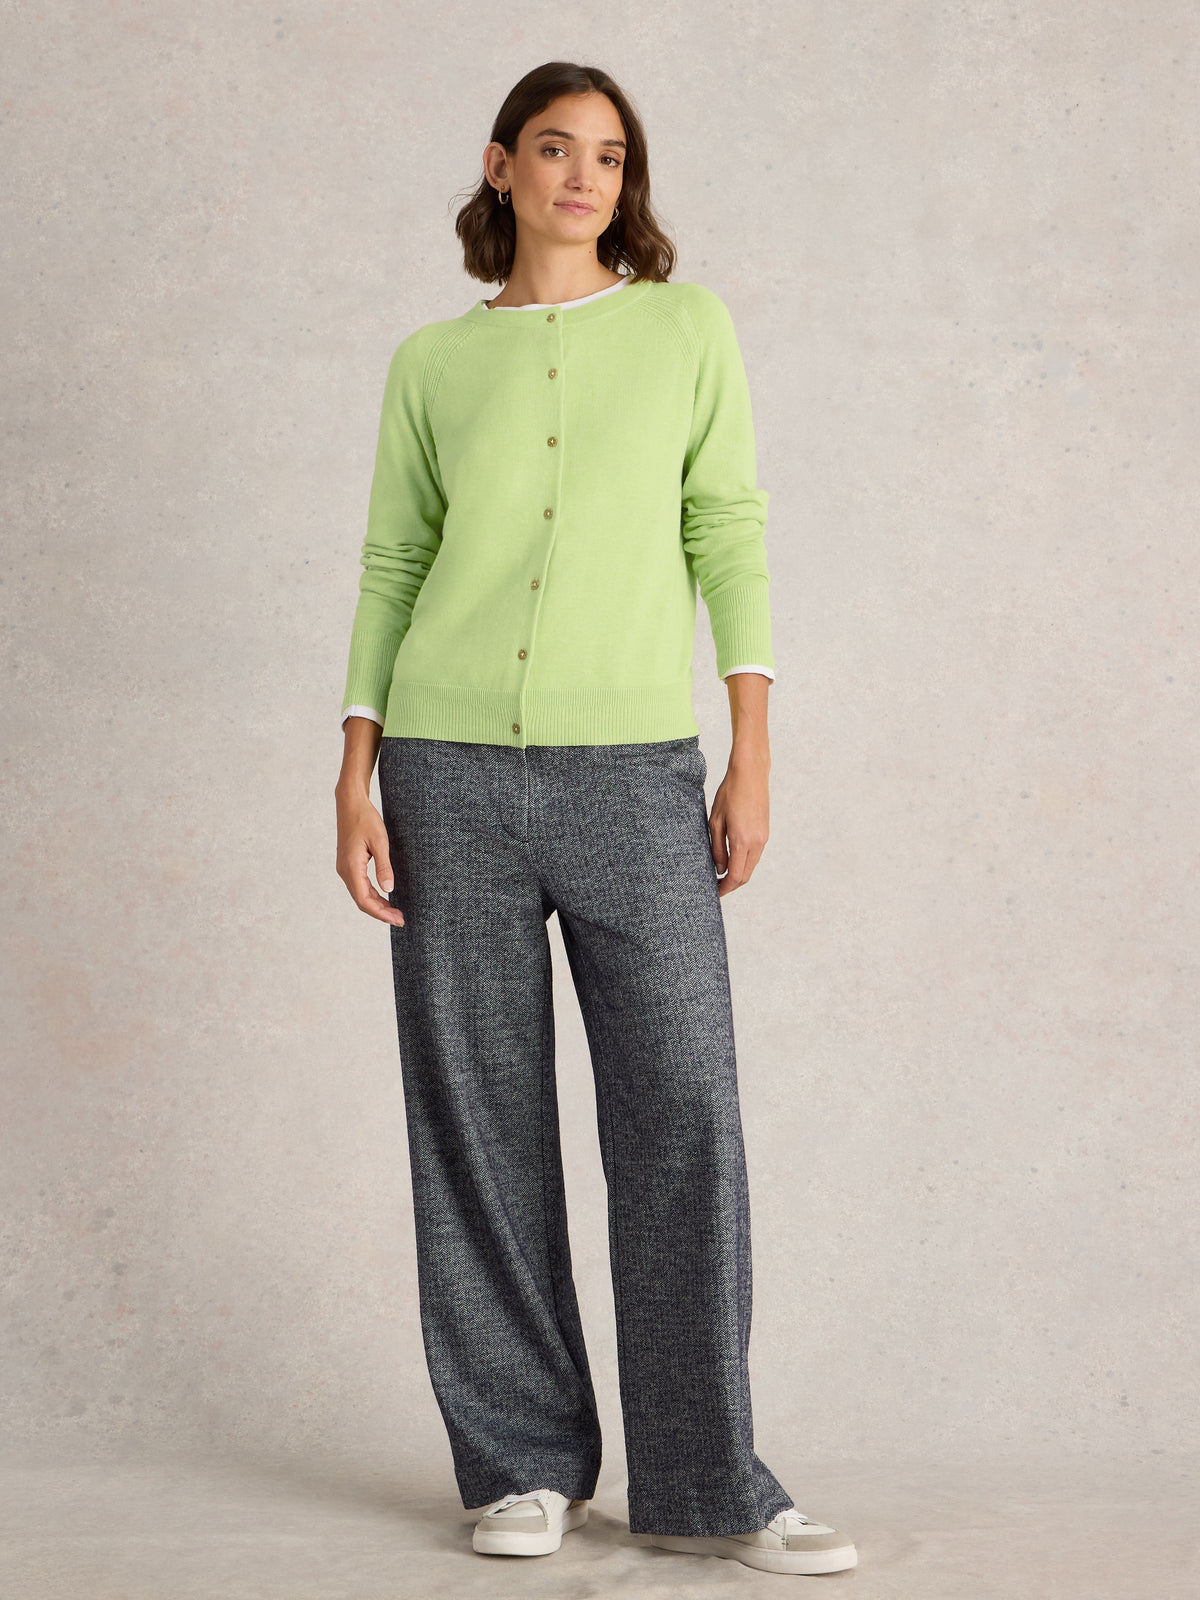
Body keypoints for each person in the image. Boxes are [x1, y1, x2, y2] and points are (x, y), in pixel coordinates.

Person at [333, 60, 858, 1578]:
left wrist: (752, 750)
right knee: (478, 1119)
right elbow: (393, 562)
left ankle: (708, 1479)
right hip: (445, 770)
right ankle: (520, 1464)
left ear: (629, 183)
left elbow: (727, 527)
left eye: (611, 156)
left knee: (683, 1109)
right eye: (556, 148)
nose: (584, 177)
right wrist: (355, 767)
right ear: (501, 165)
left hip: (634, 769)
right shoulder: (433, 363)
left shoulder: (686, 330)